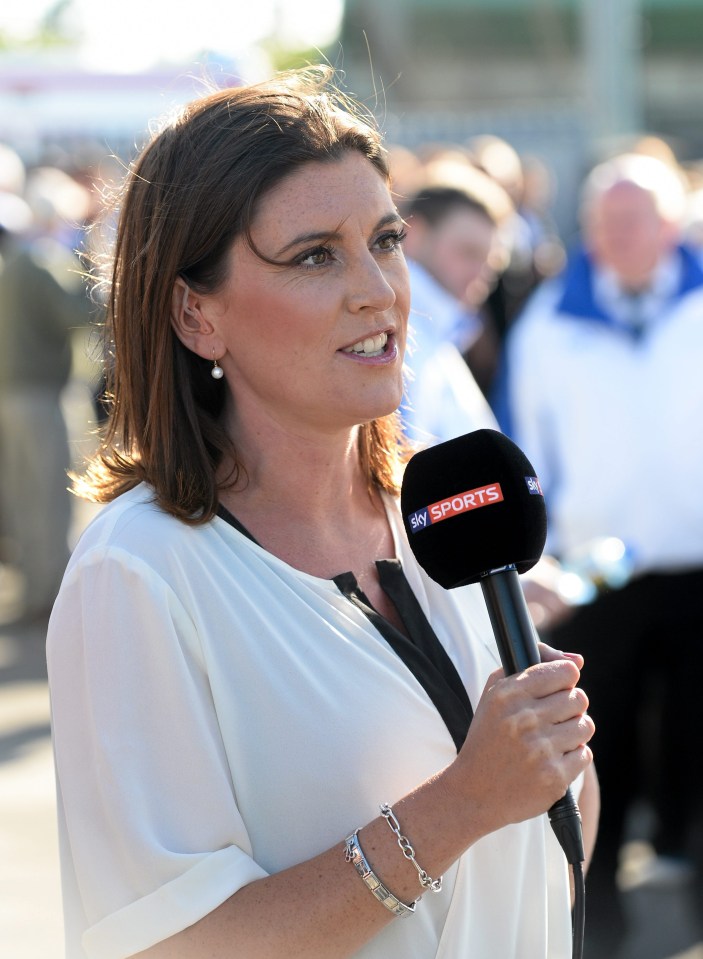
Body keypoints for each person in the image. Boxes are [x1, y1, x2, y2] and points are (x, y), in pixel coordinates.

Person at [47, 67, 597, 959]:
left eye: (385, 240)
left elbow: (535, 855)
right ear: (195, 313)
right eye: (314, 255)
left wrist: (556, 760)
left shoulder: (444, 520)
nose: (377, 289)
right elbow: (165, 945)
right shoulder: (140, 571)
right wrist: (463, 801)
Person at [495, 150, 703, 955]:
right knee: (597, 741)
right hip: (598, 577)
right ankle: (598, 914)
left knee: (694, 737)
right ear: (586, 230)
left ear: (671, 222)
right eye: (608, 220)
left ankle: (686, 875)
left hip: (699, 567)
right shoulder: (548, 322)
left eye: (639, 217)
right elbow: (524, 448)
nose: (623, 233)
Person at [0, 161, 93, 622]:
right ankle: (52, 597)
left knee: (25, 496)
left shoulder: (16, 260)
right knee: (52, 497)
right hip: (41, 394)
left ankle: (35, 590)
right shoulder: (42, 262)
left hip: (14, 393)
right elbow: (75, 313)